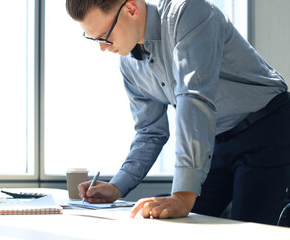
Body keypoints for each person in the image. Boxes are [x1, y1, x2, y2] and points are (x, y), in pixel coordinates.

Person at [65, 0, 290, 225]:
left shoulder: (188, 12)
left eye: (105, 35)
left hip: (267, 128)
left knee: (250, 228)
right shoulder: (129, 66)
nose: (103, 48)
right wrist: (117, 186)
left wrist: (182, 195)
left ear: (131, 9)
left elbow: (194, 97)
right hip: (215, 141)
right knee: (169, 221)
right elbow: (150, 131)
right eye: (94, 39)